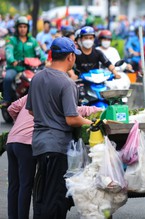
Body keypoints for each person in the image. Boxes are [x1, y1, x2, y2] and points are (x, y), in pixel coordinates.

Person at [25, 37, 93, 219]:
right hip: (57, 147)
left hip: (39, 145)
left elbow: (31, 111)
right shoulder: (67, 83)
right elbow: (72, 119)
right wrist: (92, 123)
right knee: (55, 198)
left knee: (41, 194)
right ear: (70, 56)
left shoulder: (37, 78)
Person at [6, 95, 101, 219]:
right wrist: (99, 110)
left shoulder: (32, 95)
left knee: (14, 185)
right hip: (26, 143)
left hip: (12, 140)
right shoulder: (56, 100)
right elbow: (76, 112)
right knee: (26, 184)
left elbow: (12, 108)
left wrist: (18, 123)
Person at [2, 16, 46, 107]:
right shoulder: (12, 40)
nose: (22, 29)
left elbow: (40, 53)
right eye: (20, 27)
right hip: (15, 68)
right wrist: (12, 60)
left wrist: (44, 60)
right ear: (17, 28)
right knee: (8, 78)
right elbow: (8, 51)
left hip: (30, 69)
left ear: (27, 28)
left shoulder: (33, 41)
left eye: (25, 27)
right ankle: (6, 100)